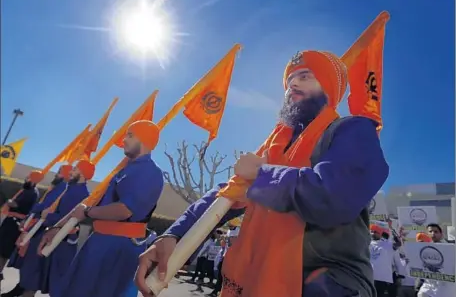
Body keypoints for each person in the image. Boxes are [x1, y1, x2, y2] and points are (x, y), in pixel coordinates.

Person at [136, 50, 389, 297]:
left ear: (329, 88)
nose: (293, 84)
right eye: (289, 80)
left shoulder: (353, 131)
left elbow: (331, 196)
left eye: (305, 76)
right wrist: (174, 235)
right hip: (251, 282)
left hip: (326, 285)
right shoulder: (273, 148)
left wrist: (260, 175)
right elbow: (226, 194)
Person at [39, 120, 164, 297]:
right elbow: (91, 204)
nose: (124, 140)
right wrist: (58, 227)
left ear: (144, 139)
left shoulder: (149, 171)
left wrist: (88, 212)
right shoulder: (125, 170)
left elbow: (124, 210)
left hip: (116, 250)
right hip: (100, 243)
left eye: (130, 135)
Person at [1, 165, 72, 297]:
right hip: (34, 228)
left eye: (59, 173)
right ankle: (20, 288)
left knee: (32, 272)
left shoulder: (64, 189)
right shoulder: (56, 188)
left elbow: (49, 209)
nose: (56, 175)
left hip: (43, 231)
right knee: (27, 269)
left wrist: (41, 214)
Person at [0, 171, 41, 285]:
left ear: (34, 180)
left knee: (3, 251)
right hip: (9, 223)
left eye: (28, 177)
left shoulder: (32, 193)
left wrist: (7, 201)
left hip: (14, 226)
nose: (26, 178)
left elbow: (16, 205)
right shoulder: (26, 190)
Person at [416, 224, 455, 297]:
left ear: (441, 234)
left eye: (436, 232)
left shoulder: (451, 247)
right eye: (430, 231)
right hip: (428, 286)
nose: (433, 234)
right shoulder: (423, 249)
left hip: (445, 287)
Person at [369, 224, 395, 297]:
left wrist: (391, 228)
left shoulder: (387, 244)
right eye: (372, 231)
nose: (373, 233)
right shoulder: (366, 243)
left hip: (381, 279)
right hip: (369, 277)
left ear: (380, 233)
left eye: (375, 232)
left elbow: (398, 243)